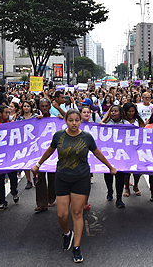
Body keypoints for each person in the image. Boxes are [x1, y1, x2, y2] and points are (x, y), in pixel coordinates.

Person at [31, 109, 117, 263]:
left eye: (77, 120)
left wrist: (110, 166)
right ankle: (67, 233)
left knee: (77, 213)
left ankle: (77, 247)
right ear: (66, 121)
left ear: (80, 121)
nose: (74, 123)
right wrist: (38, 164)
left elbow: (97, 153)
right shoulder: (59, 136)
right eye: (71, 120)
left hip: (81, 179)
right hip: (62, 178)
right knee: (62, 215)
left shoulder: (86, 137)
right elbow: (50, 150)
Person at [0, 105, 19, 211]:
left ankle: (14, 191)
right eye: (6, 113)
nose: (8, 115)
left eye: (9, 113)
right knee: (0, 179)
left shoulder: (12, 124)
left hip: (11, 156)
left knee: (13, 177)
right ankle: (2, 201)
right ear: (0, 114)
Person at [100, 105, 127, 208]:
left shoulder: (126, 124)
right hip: (108, 154)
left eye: (116, 111)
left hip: (121, 155)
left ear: (121, 113)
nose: (113, 113)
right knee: (108, 175)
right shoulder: (105, 123)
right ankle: (110, 190)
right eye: (112, 111)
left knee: (120, 176)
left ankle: (119, 198)